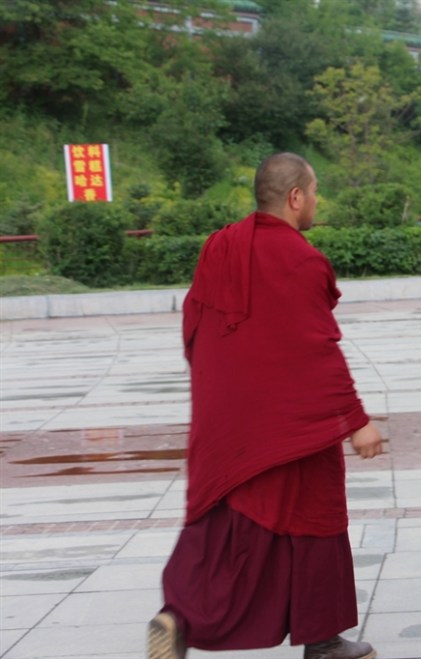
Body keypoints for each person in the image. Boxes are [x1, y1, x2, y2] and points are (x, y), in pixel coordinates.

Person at [147, 153, 383, 659]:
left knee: (223, 522)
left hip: (231, 422)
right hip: (293, 423)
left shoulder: (219, 247)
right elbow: (318, 346)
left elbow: (195, 329)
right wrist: (356, 420)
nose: (317, 201)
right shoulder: (303, 259)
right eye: (314, 191)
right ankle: (322, 640)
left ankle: (177, 616)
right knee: (316, 516)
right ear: (296, 197)